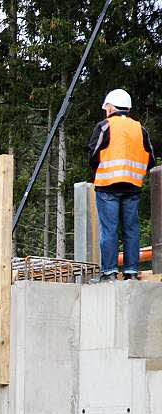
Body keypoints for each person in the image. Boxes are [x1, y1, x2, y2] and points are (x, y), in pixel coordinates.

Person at [88, 88, 155, 281]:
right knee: (131, 230)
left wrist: (101, 169)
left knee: (109, 230)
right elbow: (150, 158)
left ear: (110, 107)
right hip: (132, 186)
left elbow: (92, 154)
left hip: (108, 185)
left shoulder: (105, 126)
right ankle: (131, 272)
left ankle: (109, 273)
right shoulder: (139, 129)